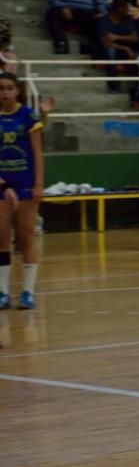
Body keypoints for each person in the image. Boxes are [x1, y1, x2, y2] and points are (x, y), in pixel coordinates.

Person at [0, 74, 51, 310]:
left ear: (17, 91)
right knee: (1, 237)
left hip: (26, 183)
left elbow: (37, 153)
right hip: (2, 184)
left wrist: (39, 184)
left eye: (10, 88)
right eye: (1, 89)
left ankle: (28, 291)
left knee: (27, 234)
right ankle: (2, 291)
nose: (5, 93)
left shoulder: (28, 116)